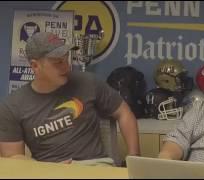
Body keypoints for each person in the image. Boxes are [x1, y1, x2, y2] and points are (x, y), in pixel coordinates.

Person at [0, 32, 140, 165]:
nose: (66, 67)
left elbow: (124, 112)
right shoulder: (11, 106)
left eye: (66, 59)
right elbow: (12, 159)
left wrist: (134, 156)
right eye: (57, 62)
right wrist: (46, 170)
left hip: (95, 166)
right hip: (47, 173)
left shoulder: (88, 82)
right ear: (35, 66)